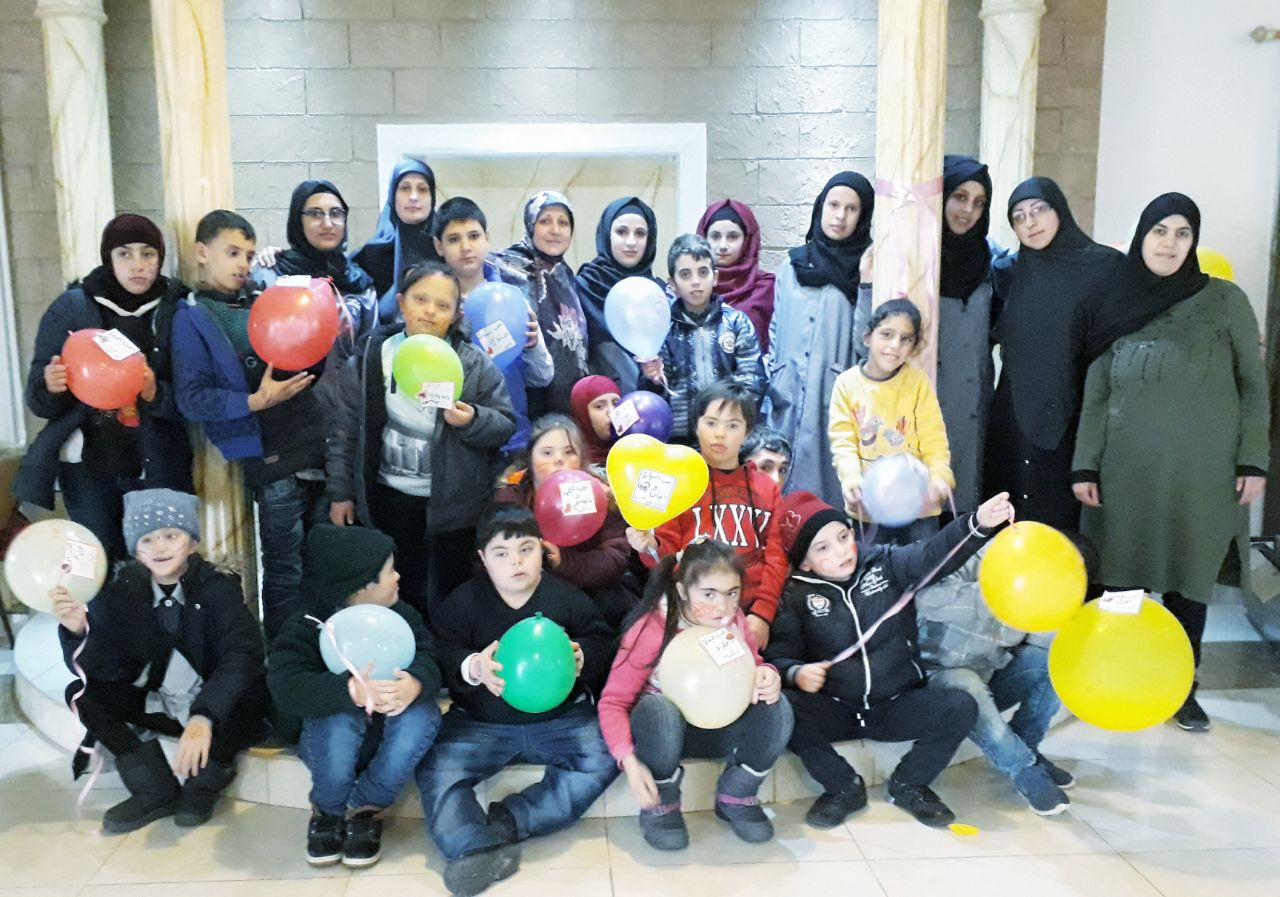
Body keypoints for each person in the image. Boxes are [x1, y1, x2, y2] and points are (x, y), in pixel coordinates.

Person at [1072, 192, 1270, 732]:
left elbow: (1254, 387)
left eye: (1183, 233)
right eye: (1160, 231)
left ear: (1194, 241)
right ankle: (1116, 679)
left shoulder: (1225, 300)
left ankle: (1182, 688)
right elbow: (1096, 391)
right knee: (1120, 579)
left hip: (1202, 476)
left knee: (1189, 580)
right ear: (1142, 236)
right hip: (1124, 474)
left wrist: (1253, 460)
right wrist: (1085, 465)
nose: (1170, 243)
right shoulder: (1115, 301)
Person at [767, 489, 1015, 828]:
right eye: (823, 548)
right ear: (805, 562)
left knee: (960, 706)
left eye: (843, 537)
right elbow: (780, 656)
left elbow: (933, 553)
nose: (841, 551)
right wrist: (796, 673)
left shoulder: (885, 563)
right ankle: (843, 787)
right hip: (837, 708)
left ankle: (909, 784)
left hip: (895, 704)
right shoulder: (795, 595)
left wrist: (978, 523)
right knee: (783, 707)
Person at [417, 504, 617, 897]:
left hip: (561, 720)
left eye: (526, 549)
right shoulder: (463, 602)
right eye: (502, 553)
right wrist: (472, 666)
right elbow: (442, 650)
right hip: (482, 722)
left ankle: (513, 819)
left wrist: (584, 656)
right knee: (438, 768)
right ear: (483, 559)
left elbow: (600, 638)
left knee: (606, 755)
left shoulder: (566, 596)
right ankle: (472, 847)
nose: (516, 562)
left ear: (542, 549)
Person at [53, 489, 267, 833]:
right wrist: (80, 631)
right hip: (163, 702)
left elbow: (241, 656)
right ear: (136, 550)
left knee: (249, 697)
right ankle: (153, 788)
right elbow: (106, 668)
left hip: (214, 706)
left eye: (171, 536)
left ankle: (204, 783)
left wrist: (203, 716)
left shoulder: (218, 588)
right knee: (84, 694)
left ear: (192, 543)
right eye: (147, 539)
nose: (159, 547)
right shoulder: (123, 591)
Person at [325, 262, 516, 619]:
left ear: (456, 314)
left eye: (442, 305)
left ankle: (448, 652)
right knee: (399, 591)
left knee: (450, 596)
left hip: (453, 508)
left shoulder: (472, 363)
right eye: (420, 299)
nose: (430, 311)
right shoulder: (371, 357)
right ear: (401, 302)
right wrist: (341, 493)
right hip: (388, 499)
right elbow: (345, 431)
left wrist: (471, 419)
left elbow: (504, 424)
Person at [172, 210, 328, 638]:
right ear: (202, 253)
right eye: (232, 253)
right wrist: (254, 401)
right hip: (269, 455)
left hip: (313, 442)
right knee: (286, 567)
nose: (242, 263)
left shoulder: (264, 298)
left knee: (321, 562)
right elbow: (192, 397)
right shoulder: (193, 315)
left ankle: (315, 650)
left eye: (249, 254)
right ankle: (282, 654)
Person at [17, 214, 193, 562]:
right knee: (94, 562)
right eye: (124, 254)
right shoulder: (72, 307)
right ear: (108, 258)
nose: (138, 265)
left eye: (148, 254)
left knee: (161, 565)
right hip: (88, 465)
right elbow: (37, 399)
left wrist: (155, 393)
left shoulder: (178, 309)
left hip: (157, 459)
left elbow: (194, 396)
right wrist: (52, 386)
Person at [598, 539, 791, 850]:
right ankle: (663, 802)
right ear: (683, 591)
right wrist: (629, 762)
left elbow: (752, 665)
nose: (723, 607)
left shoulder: (735, 622)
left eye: (732, 593)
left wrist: (766, 675)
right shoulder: (652, 628)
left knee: (777, 704)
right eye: (709, 594)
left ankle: (737, 795)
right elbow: (612, 703)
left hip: (720, 728)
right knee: (660, 711)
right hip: (665, 738)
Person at [268, 524, 442, 868]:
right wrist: (347, 691)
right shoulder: (308, 624)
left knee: (424, 716)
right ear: (363, 585)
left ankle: (366, 808)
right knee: (336, 719)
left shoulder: (402, 615)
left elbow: (430, 656)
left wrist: (416, 682)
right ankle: (328, 811)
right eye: (389, 571)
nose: (398, 577)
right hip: (329, 742)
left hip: (386, 734)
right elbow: (285, 685)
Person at [985, 177, 1126, 531]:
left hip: (1074, 414)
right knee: (1011, 521)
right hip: (1014, 413)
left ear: (1059, 209)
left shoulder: (1104, 267)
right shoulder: (1009, 272)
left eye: (1038, 210)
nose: (1030, 223)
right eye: (1018, 217)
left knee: (1062, 524)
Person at [915, 545, 1074, 815]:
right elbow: (927, 599)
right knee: (966, 682)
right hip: (934, 679)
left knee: (1055, 659)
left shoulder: (1037, 585)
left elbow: (1041, 643)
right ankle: (1024, 769)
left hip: (988, 677)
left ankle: (1027, 745)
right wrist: (998, 595)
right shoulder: (965, 559)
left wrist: (1056, 616)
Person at [626, 382, 788, 648]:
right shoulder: (675, 481)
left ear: (747, 432)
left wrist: (763, 613)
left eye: (732, 426)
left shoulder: (766, 488)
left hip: (752, 610)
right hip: (692, 612)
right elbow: (665, 555)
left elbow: (777, 556)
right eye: (711, 423)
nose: (720, 434)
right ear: (696, 425)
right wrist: (648, 546)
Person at [764, 171, 875, 507]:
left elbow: (867, 343)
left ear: (862, 217)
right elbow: (775, 331)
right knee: (776, 488)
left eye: (852, 209)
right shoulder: (791, 266)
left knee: (825, 497)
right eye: (834, 205)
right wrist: (775, 378)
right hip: (785, 397)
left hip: (833, 400)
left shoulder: (866, 268)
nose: (840, 216)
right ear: (820, 207)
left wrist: (867, 285)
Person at [433, 196, 553, 466]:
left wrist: (533, 347)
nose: (466, 247)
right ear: (439, 246)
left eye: (474, 236)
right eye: (454, 239)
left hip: (513, 440)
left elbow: (543, 377)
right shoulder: (434, 306)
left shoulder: (512, 299)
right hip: (455, 443)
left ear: (487, 238)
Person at [495, 414, 638, 628]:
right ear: (530, 459)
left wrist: (565, 562)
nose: (559, 460)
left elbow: (615, 558)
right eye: (547, 453)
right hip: (529, 594)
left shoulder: (600, 493)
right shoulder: (511, 497)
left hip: (592, 594)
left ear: (581, 459)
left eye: (569, 452)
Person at [829, 298, 953, 544]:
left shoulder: (917, 382)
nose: (895, 345)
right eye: (887, 334)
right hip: (869, 507)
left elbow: (934, 438)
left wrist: (940, 475)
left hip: (919, 507)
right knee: (873, 566)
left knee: (922, 564)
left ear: (914, 347)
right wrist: (851, 479)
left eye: (905, 339)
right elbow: (843, 442)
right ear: (868, 337)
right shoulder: (846, 384)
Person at [638, 234, 765, 443]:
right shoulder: (662, 329)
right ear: (672, 283)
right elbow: (654, 391)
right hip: (678, 438)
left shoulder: (736, 322)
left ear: (715, 277)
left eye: (703, 272)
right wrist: (652, 378)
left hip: (726, 437)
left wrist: (734, 421)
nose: (695, 281)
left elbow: (752, 381)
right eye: (685, 275)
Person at [935, 155, 999, 513]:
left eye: (979, 202)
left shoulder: (991, 263)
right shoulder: (916, 259)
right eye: (959, 197)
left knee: (967, 508)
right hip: (927, 407)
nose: (968, 211)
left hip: (974, 406)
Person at [493, 191, 589, 417]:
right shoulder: (505, 269)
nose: (555, 230)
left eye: (563, 223)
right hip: (522, 404)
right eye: (545, 221)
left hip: (567, 407)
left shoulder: (565, 275)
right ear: (531, 225)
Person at [255, 179, 379, 352]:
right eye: (315, 214)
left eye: (336, 213)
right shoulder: (271, 273)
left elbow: (370, 350)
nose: (327, 224)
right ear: (298, 221)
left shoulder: (358, 282)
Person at [575, 196, 666, 392]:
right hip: (598, 401)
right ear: (606, 234)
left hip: (651, 402)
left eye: (640, 233)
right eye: (621, 232)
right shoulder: (584, 286)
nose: (631, 242)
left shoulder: (658, 293)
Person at [351, 158, 441, 322]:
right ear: (393, 196)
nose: (413, 197)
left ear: (432, 197)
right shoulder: (370, 257)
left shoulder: (446, 250)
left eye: (422, 189)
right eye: (405, 188)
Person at [696, 199, 776, 355]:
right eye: (715, 236)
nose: (723, 246)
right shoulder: (691, 287)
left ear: (747, 240)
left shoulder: (767, 289)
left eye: (732, 237)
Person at [569, 374, 621, 466]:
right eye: (600, 406)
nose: (612, 411)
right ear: (582, 413)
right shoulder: (574, 463)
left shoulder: (637, 447)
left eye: (616, 403)